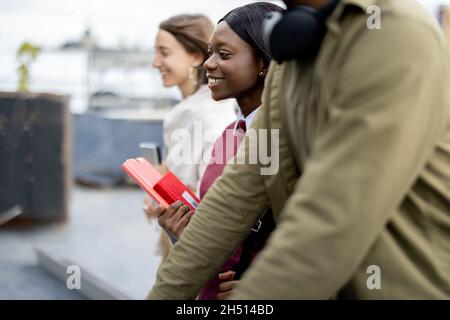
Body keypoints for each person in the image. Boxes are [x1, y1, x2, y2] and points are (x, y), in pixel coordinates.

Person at [148, 0, 450, 299]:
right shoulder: (289, 61)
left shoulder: (396, 35)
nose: (210, 64)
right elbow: (233, 200)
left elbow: (329, 222)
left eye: (224, 54)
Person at [150, 2, 283, 300]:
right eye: (211, 53)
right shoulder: (231, 133)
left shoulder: (283, 140)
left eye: (223, 55)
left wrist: (269, 285)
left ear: (263, 63)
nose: (209, 64)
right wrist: (182, 234)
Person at [144, 14, 236, 256]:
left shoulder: (198, 115)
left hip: (191, 246)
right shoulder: (210, 108)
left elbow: (201, 193)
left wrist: (161, 193)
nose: (155, 62)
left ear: (196, 56)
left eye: (164, 52)